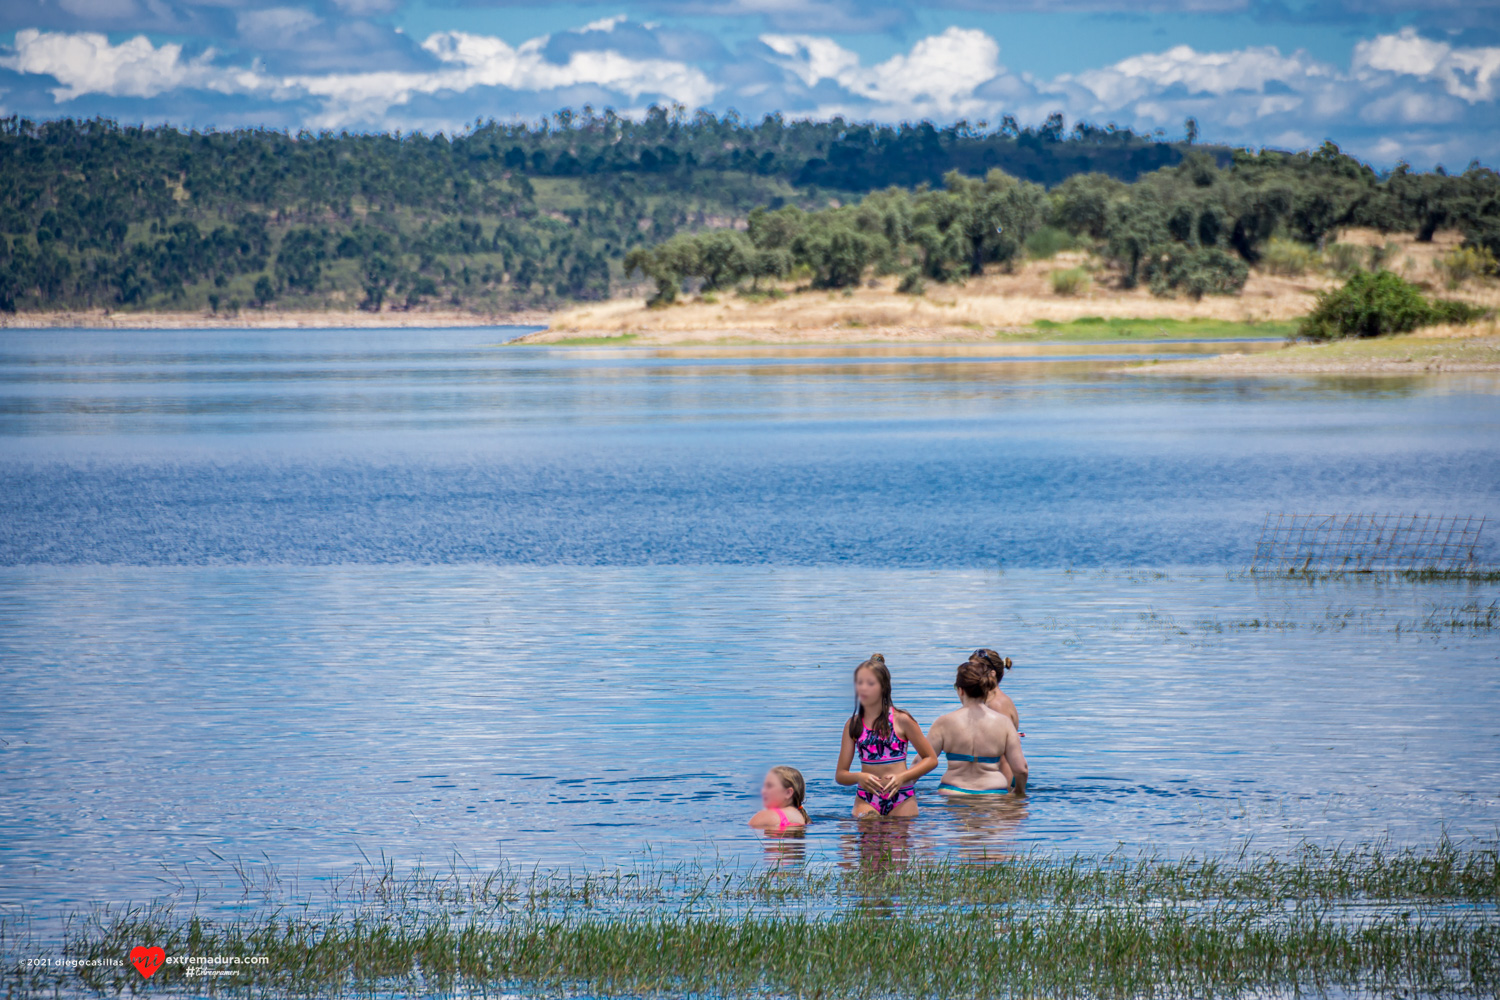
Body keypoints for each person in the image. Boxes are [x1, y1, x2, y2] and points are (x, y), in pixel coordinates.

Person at [835, 653, 938, 817]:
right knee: (866, 833)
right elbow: (840, 775)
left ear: (883, 687)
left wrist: (902, 777)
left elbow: (931, 759)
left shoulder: (902, 720)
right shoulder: (853, 725)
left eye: (870, 683)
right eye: (859, 683)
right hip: (866, 798)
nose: (863, 688)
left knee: (901, 840)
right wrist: (859, 777)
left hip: (902, 797)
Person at [927, 658, 1027, 796]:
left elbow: (922, 761)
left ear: (961, 690)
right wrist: (1019, 792)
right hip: (993, 792)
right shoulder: (1004, 723)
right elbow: (1021, 769)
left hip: (953, 792)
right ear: (986, 689)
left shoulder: (943, 722)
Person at [749, 766, 808, 831]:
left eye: (769, 786)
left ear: (788, 793)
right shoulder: (801, 818)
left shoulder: (767, 815)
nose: (763, 791)